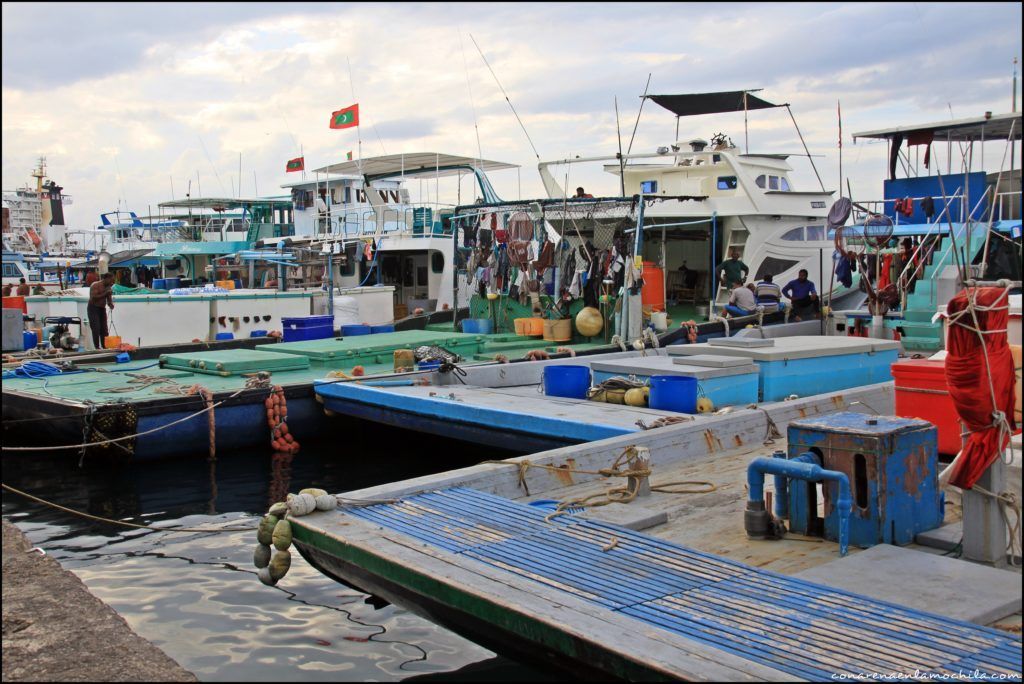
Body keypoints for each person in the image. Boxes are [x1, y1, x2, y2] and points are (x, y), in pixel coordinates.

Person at [88, 272, 115, 349]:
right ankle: (97, 347)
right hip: (93, 308)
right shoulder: (95, 285)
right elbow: (93, 297)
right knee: (96, 328)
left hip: (102, 309)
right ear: (106, 279)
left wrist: (110, 304)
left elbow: (109, 300)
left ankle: (105, 346)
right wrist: (105, 293)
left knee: (104, 329)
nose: (112, 283)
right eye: (111, 281)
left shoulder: (108, 287)